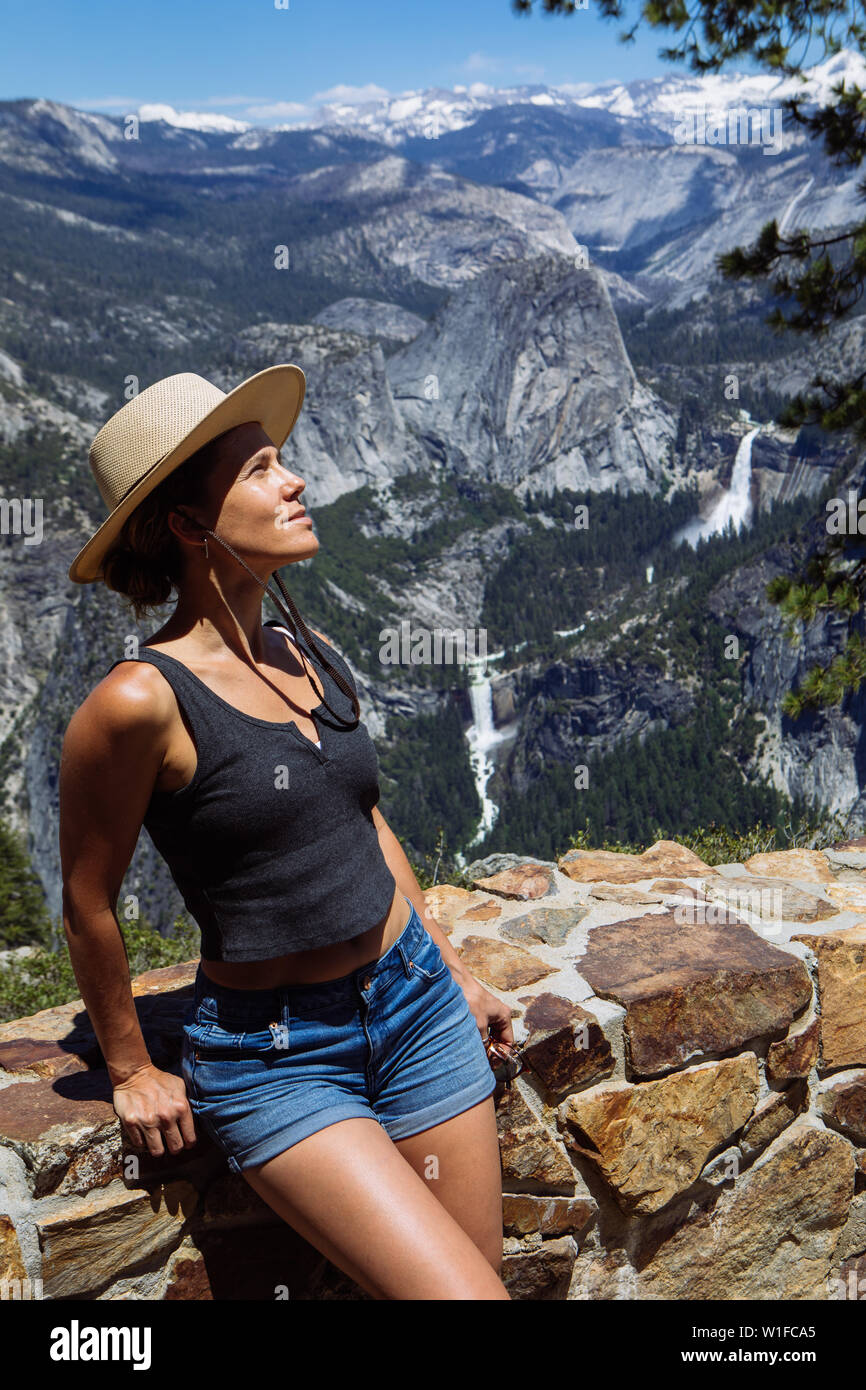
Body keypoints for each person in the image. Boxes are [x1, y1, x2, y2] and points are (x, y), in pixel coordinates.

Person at [59, 366, 513, 1301]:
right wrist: (132, 1066)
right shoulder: (138, 701)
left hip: (415, 1005)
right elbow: (87, 899)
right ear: (189, 526)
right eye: (261, 469)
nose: (295, 481)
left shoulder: (305, 653)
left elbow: (364, 820)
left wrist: (444, 964)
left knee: (478, 1282)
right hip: (279, 1056)